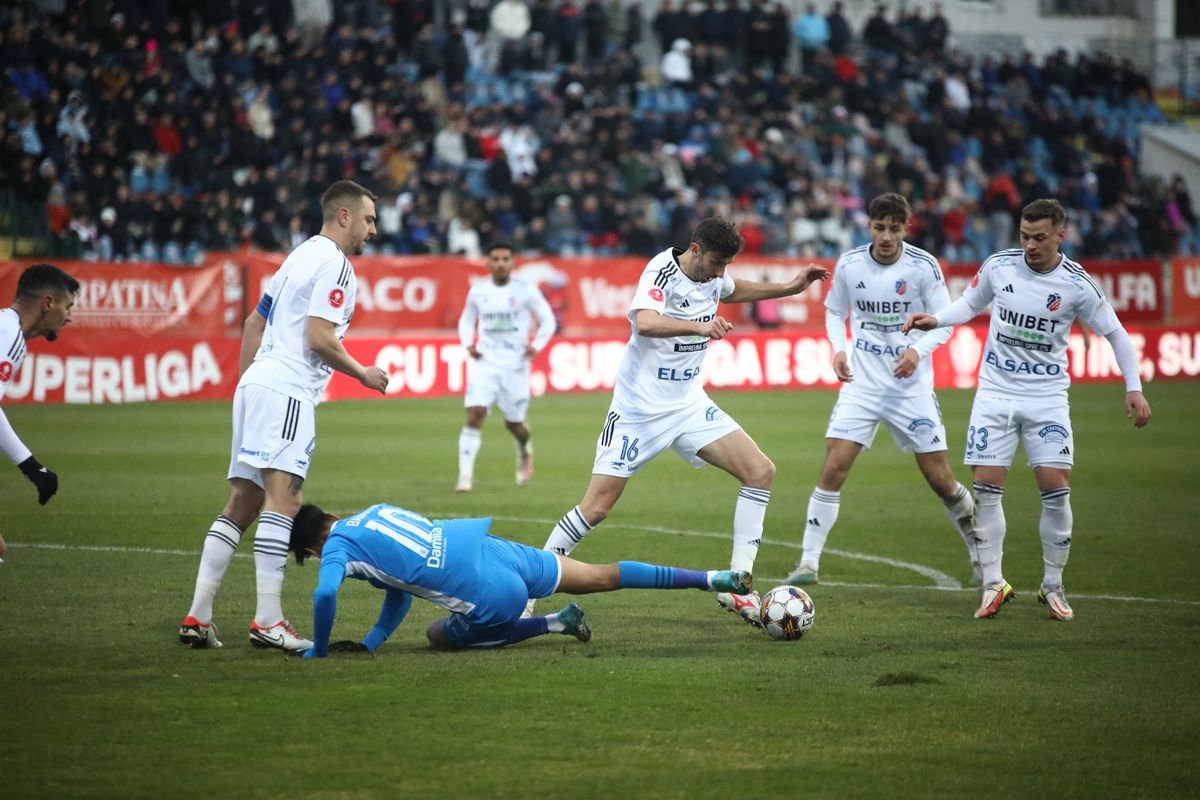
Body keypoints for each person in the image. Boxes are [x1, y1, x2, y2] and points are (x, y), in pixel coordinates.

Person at [531, 216, 828, 626]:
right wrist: (700, 326)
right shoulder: (661, 271)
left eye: (727, 264)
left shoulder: (713, 277)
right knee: (596, 507)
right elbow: (645, 322)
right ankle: (532, 582)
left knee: (760, 471)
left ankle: (737, 583)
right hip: (639, 412)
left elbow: (733, 288)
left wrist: (790, 287)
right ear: (695, 250)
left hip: (688, 405)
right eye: (717, 262)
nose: (721, 273)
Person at [903, 199, 1152, 621]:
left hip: (1046, 397)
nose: (1030, 245)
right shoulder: (1000, 265)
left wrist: (1134, 388)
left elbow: (1117, 334)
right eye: (1024, 236)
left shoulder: (1077, 284)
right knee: (985, 488)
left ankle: (1053, 585)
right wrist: (937, 320)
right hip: (995, 392)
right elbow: (969, 303)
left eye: (1039, 237)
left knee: (1055, 487)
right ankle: (993, 584)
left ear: (1061, 234)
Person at [179, 180, 389, 651]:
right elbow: (318, 337)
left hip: (255, 385)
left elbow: (254, 323)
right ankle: (268, 620)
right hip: (288, 390)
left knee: (243, 503)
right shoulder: (336, 265)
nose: (373, 230)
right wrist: (362, 372)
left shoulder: (297, 257)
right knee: (285, 502)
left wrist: (247, 386)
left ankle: (198, 615)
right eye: (369, 219)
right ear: (343, 216)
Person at [784, 194, 980, 587]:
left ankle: (981, 556)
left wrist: (916, 352)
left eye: (894, 228)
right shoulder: (851, 264)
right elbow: (836, 312)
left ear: (906, 228)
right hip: (864, 383)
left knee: (940, 478)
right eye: (879, 227)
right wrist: (839, 350)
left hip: (910, 388)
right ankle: (808, 563)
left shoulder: (924, 267)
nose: (886, 235)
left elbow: (945, 322)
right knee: (833, 469)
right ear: (868, 226)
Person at [288, 501, 754, 656]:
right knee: (601, 574)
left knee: (437, 637)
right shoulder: (374, 510)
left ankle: (554, 623)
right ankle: (711, 577)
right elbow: (399, 592)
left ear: (313, 548)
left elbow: (327, 591)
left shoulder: (337, 549)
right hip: (494, 548)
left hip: (490, 594)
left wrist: (321, 650)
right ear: (332, 513)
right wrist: (370, 643)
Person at [455, 242, 556, 493]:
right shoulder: (478, 291)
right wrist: (469, 344)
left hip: (516, 365)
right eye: (496, 259)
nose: (500, 263)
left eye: (505, 259)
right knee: (475, 413)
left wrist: (537, 345)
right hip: (485, 362)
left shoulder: (526, 290)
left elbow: (548, 320)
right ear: (488, 263)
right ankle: (465, 477)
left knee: (514, 424)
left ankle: (524, 447)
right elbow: (466, 321)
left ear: (513, 263)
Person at [1, 264, 78, 509]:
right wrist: (32, 468)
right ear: (47, 304)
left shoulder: (8, 330)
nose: (69, 317)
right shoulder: (9, 336)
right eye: (67, 307)